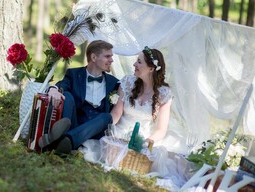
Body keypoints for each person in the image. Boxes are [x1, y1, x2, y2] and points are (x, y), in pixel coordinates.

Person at [81, 46, 194, 191]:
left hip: (146, 136)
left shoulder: (164, 93)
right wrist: (108, 128)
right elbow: (117, 113)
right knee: (108, 146)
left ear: (151, 68)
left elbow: (161, 129)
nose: (134, 64)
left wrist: (147, 142)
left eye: (139, 62)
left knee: (157, 157)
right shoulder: (128, 82)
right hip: (121, 130)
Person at [38, 40, 120, 155]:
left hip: (94, 130)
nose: (111, 60)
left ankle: (62, 139)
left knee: (107, 117)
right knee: (67, 95)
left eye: (111, 56)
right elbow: (62, 85)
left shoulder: (114, 83)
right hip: (74, 123)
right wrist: (53, 89)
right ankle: (67, 139)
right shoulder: (74, 74)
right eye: (107, 56)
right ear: (94, 57)